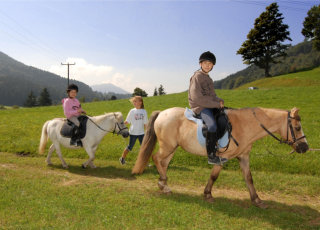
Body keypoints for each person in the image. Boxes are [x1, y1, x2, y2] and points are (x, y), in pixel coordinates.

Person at [188, 51, 228, 165]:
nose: (207, 65)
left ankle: (216, 145)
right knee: (211, 125)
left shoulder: (208, 78)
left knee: (224, 119)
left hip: (209, 105)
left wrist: (219, 100)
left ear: (213, 66)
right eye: (205, 63)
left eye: (210, 63)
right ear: (200, 64)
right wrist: (216, 104)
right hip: (200, 107)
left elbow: (212, 96)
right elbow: (197, 98)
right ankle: (211, 155)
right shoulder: (197, 77)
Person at [119, 96, 148, 165]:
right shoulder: (132, 111)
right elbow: (127, 121)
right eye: (133, 101)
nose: (134, 102)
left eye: (135, 101)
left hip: (141, 133)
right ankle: (122, 158)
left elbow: (145, 123)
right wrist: (120, 125)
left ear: (140, 102)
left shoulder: (144, 111)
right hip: (132, 133)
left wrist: (147, 132)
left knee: (144, 148)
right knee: (129, 147)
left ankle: (145, 162)